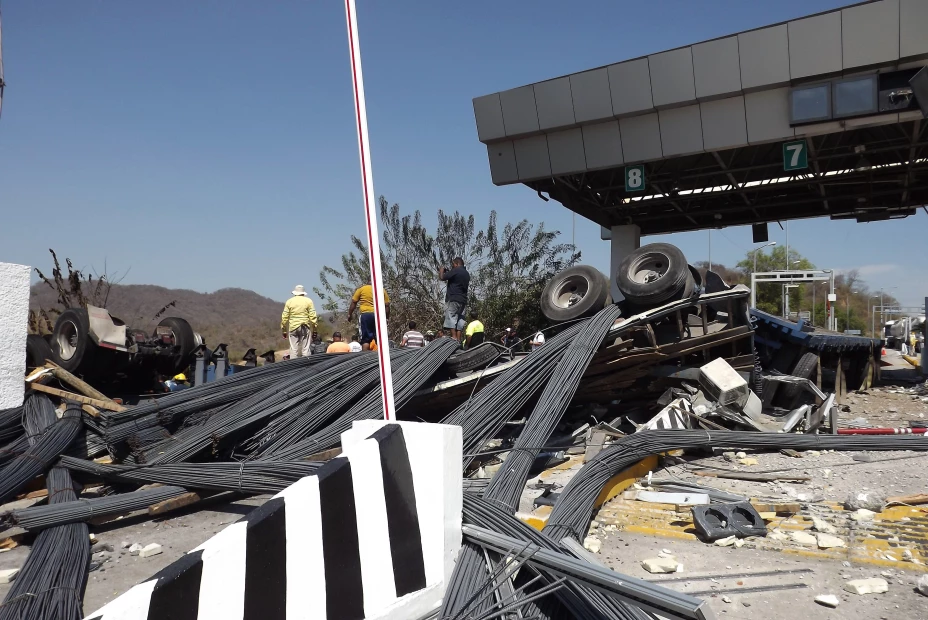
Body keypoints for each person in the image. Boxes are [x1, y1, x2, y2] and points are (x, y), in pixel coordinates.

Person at [347, 283, 390, 350]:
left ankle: (365, 358)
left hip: (365, 315)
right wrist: (387, 318)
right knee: (379, 338)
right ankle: (379, 357)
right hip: (378, 316)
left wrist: (350, 314)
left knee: (365, 339)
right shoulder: (381, 290)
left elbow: (354, 302)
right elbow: (387, 305)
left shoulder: (361, 289)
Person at [281, 285, 317, 359]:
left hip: (293, 327)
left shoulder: (289, 301)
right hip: (305, 326)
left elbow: (284, 317)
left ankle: (294, 367)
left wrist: (284, 331)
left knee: (293, 349)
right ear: (303, 293)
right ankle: (307, 366)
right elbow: (313, 317)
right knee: (306, 349)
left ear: (294, 293)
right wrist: (315, 330)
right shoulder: (308, 301)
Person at [439, 258, 470, 343]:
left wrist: (441, 270)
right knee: (460, 319)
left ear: (456, 263)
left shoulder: (455, 270)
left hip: (453, 298)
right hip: (463, 300)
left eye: (453, 264)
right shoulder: (466, 273)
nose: (452, 266)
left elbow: (442, 277)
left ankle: (454, 337)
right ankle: (458, 339)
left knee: (451, 316)